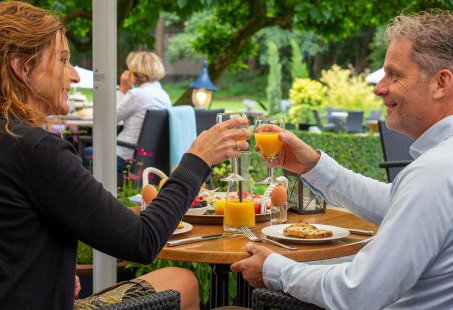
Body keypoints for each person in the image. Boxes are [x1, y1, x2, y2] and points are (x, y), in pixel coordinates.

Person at [0, 2, 250, 309]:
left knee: (180, 279)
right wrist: (197, 160)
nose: (74, 77)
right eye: (63, 60)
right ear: (23, 68)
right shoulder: (33, 148)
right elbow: (141, 241)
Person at [231, 10, 453, 309]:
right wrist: (314, 166)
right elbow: (395, 202)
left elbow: (360, 292)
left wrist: (275, 270)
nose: (378, 88)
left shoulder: (434, 172)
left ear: (441, 83)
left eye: (394, 74)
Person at [116, 51, 172, 170]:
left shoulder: (137, 94)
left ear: (135, 72)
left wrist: (122, 89)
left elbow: (111, 118)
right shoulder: (164, 95)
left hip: (125, 155)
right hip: (150, 158)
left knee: (86, 152)